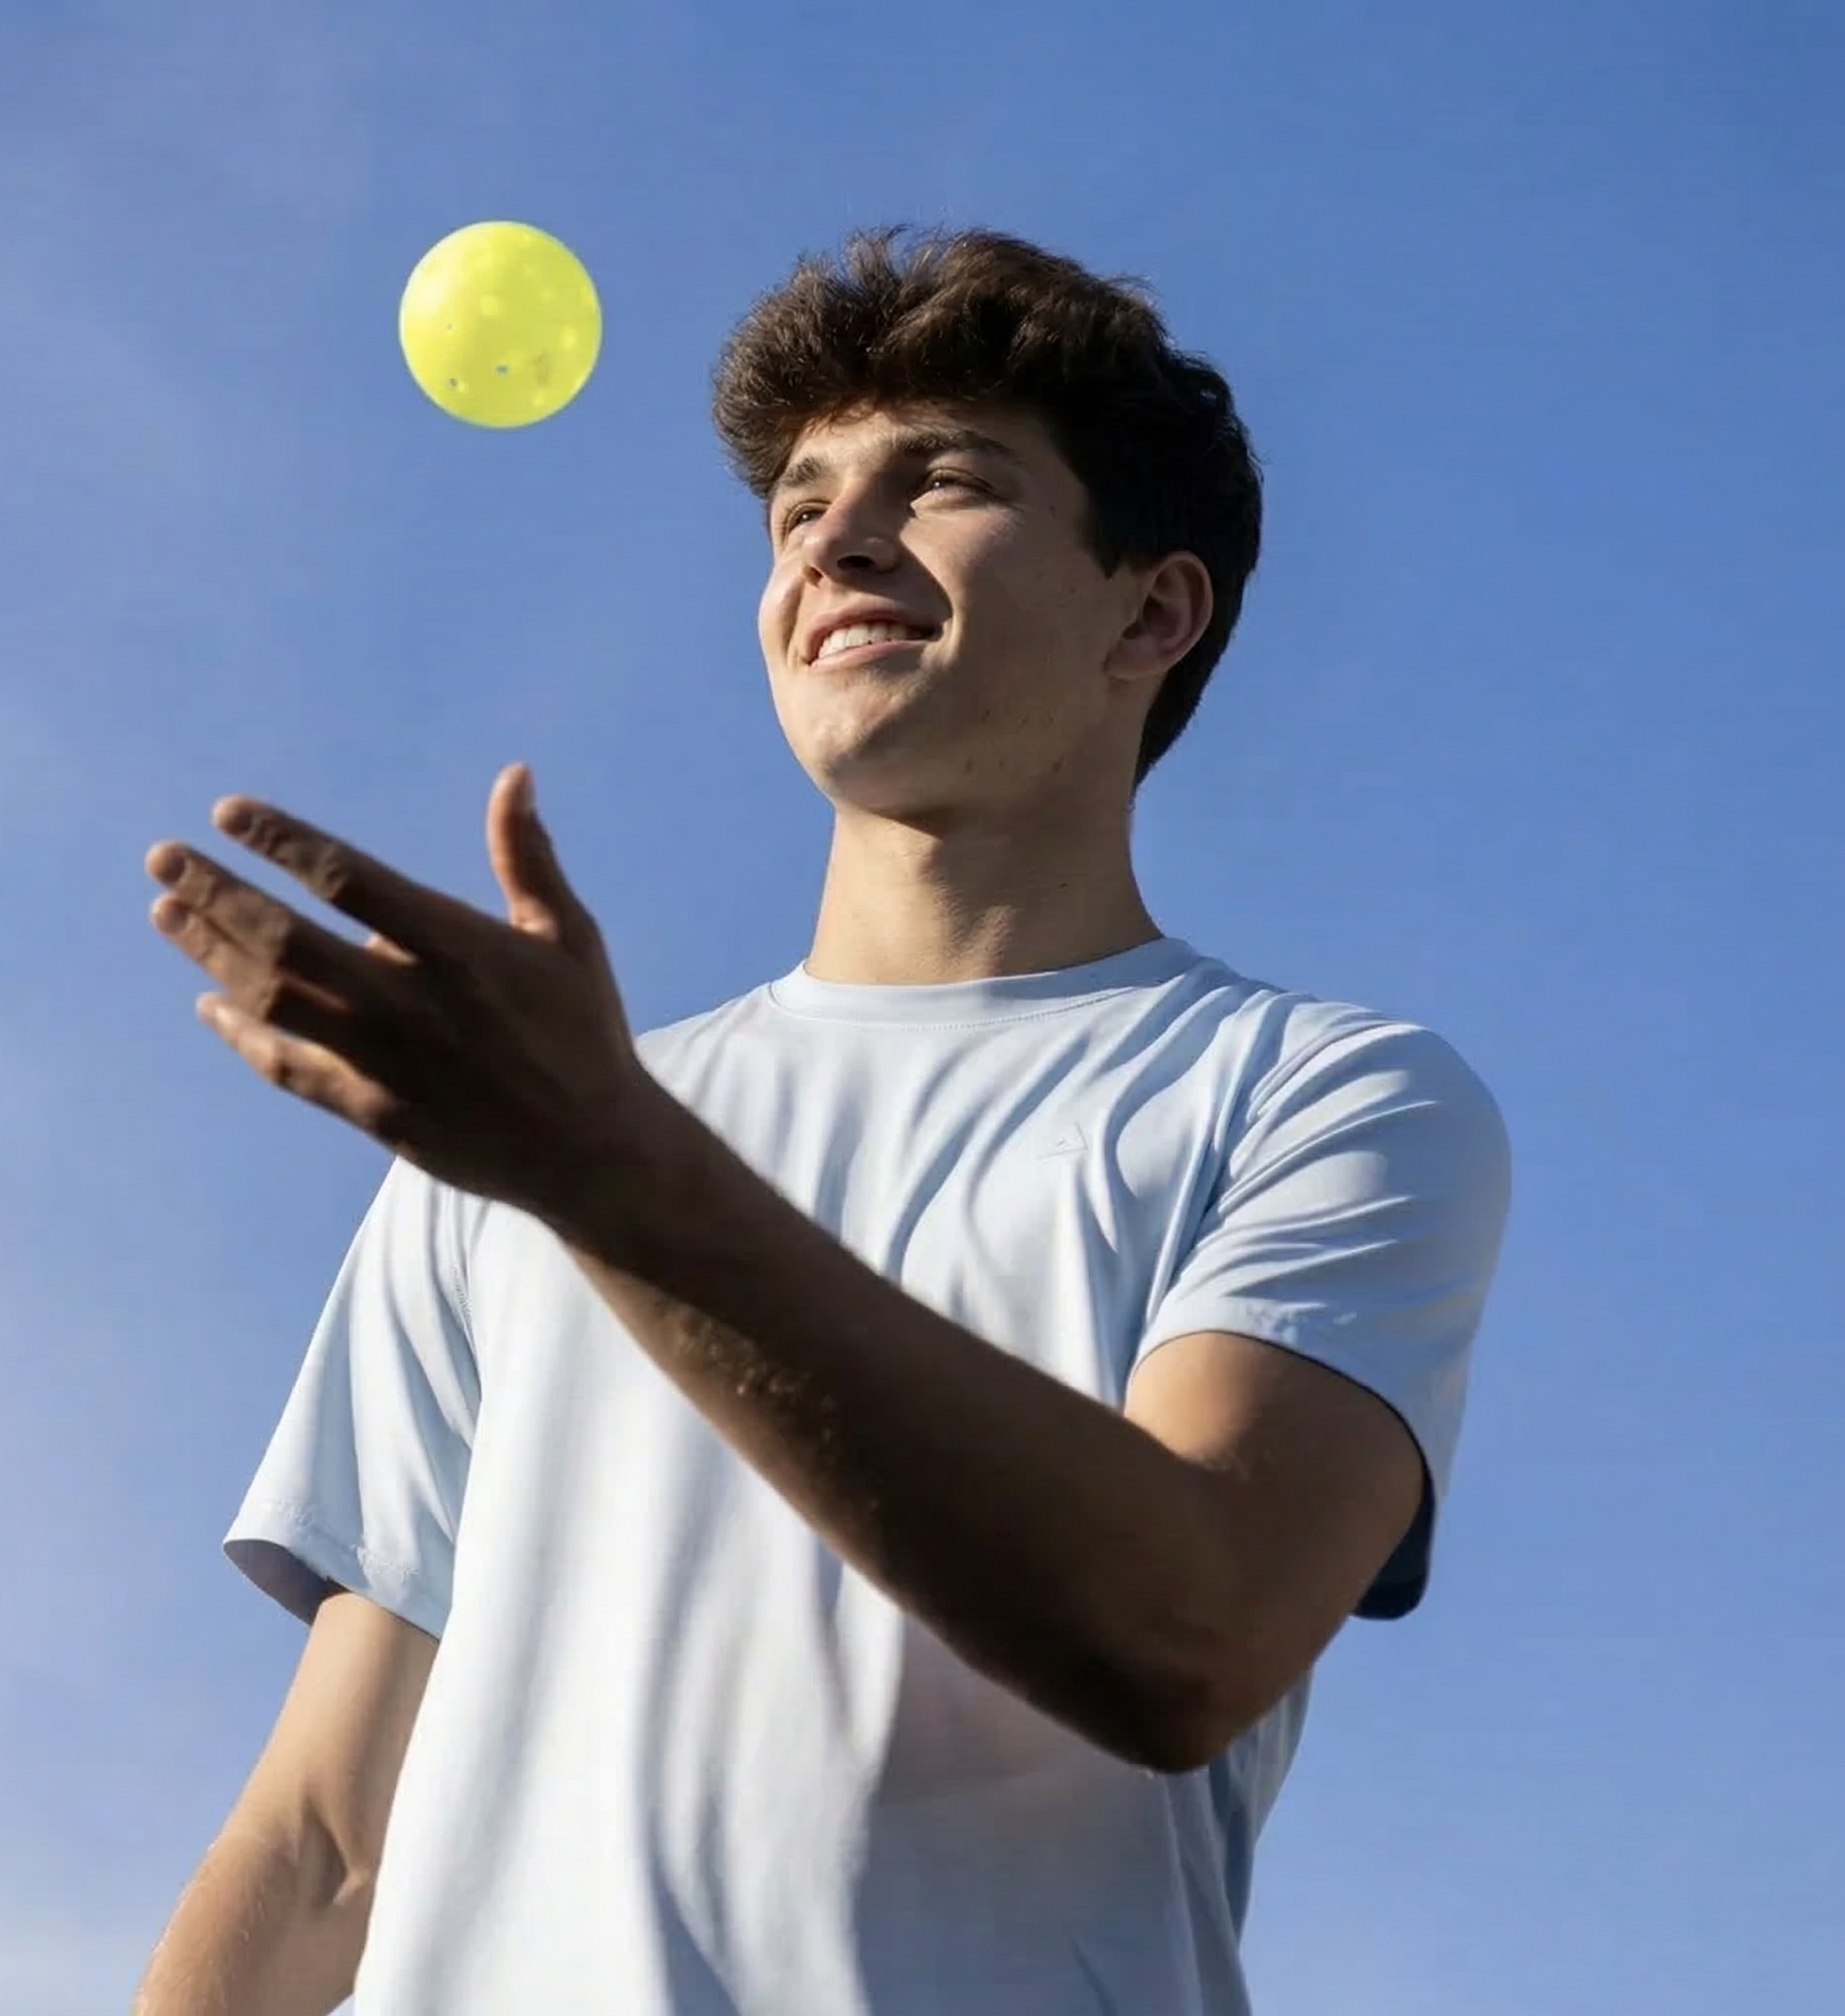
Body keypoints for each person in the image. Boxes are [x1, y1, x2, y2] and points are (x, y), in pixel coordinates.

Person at [132, 225, 1511, 2016]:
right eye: (799, 508)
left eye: (944, 483)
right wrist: (579, 1156)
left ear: (1152, 611)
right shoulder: (523, 1136)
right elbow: (323, 1843)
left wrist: (604, 1173)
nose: (838, 541)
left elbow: (1190, 1627)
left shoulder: (1321, 1098)